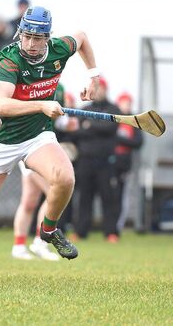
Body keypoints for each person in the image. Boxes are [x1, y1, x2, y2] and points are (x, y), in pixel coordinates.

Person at [0, 5, 99, 277]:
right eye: (27, 36)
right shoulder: (11, 58)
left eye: (38, 38)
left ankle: (48, 229)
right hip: (1, 141)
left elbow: (81, 37)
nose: (31, 44)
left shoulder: (60, 48)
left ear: (47, 38)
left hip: (37, 136)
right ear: (20, 33)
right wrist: (41, 105)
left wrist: (93, 76)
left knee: (65, 178)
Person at [11, 84, 77, 261]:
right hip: (29, 146)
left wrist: (67, 122)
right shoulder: (28, 82)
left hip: (42, 145)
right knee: (52, 194)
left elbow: (56, 119)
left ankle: (19, 245)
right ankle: (40, 242)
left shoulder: (60, 88)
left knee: (29, 201)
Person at [72, 77, 121, 242]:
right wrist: (96, 127)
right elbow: (77, 131)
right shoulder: (85, 108)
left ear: (106, 90)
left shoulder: (114, 109)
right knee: (84, 198)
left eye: (102, 89)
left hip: (105, 162)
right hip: (85, 161)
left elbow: (111, 128)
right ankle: (80, 232)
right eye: (97, 89)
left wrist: (90, 125)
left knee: (108, 198)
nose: (99, 92)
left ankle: (111, 232)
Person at [114, 92, 142, 233]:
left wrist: (119, 139)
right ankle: (109, 225)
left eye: (128, 103)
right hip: (111, 163)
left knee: (122, 196)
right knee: (110, 195)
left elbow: (138, 142)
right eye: (124, 102)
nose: (126, 106)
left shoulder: (134, 121)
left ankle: (117, 226)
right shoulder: (114, 119)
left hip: (125, 164)